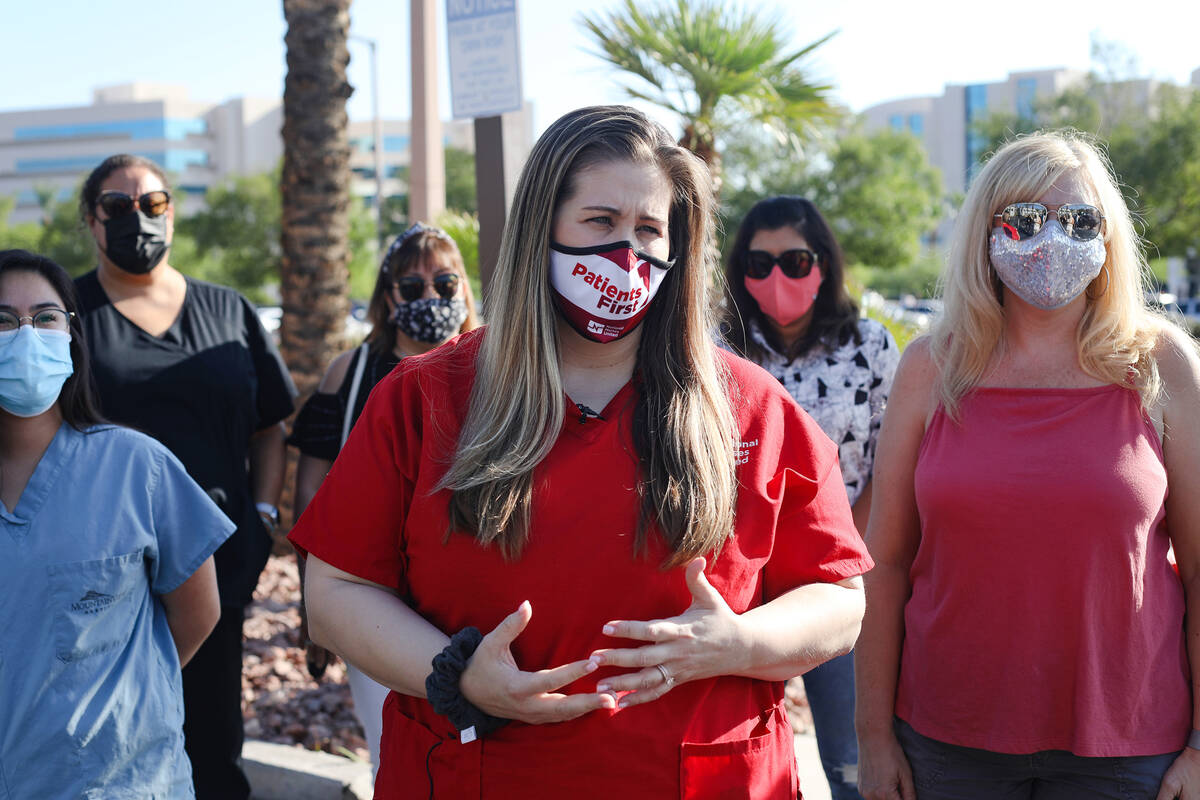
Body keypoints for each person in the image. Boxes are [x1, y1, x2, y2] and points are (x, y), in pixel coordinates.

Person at [289, 105, 873, 798]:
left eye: (649, 229)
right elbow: (334, 592)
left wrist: (740, 644)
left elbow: (838, 598)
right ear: (542, 228)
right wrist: (456, 672)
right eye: (600, 222)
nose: (626, 253)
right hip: (481, 774)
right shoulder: (424, 400)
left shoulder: (751, 407)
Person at [855, 131, 1200, 800]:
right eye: (1024, 219)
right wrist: (871, 737)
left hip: (1130, 747)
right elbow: (887, 561)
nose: (1052, 241)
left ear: (1109, 236)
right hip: (947, 739)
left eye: (1079, 221)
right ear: (985, 233)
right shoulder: (932, 365)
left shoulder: (1160, 365)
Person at [73, 154, 297, 800]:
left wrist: (262, 517)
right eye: (117, 207)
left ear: (172, 212)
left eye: (153, 204)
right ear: (92, 221)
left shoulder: (228, 312)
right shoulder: (69, 313)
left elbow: (270, 426)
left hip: (215, 563)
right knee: (103, 738)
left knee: (212, 737)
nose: (137, 219)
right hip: (102, 565)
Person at [0, 249, 234, 798]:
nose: (26, 335)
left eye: (46, 317)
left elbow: (198, 612)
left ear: (72, 337)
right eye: (3, 320)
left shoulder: (137, 467)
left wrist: (122, 696)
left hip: (125, 783)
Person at [721, 195, 898, 799]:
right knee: (734, 755)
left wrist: (839, 556)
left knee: (852, 763)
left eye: (795, 262)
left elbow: (892, 462)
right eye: (759, 262)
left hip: (844, 584)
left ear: (822, 263)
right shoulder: (715, 350)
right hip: (738, 588)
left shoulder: (870, 346)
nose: (778, 278)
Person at [288, 220, 480, 772]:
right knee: (394, 749)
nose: (431, 297)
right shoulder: (352, 374)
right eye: (413, 285)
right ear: (387, 294)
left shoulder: (498, 369)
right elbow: (312, 490)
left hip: (472, 591)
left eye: (445, 285)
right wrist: (315, 600)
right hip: (377, 595)